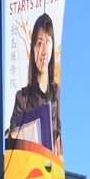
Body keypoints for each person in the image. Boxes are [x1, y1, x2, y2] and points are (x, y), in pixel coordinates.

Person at [7, 11, 61, 152]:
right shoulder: (22, 97)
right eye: (39, 43)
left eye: (47, 42)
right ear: (33, 48)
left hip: (50, 163)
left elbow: (58, 135)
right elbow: (11, 138)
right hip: (29, 160)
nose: (43, 51)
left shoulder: (55, 91)